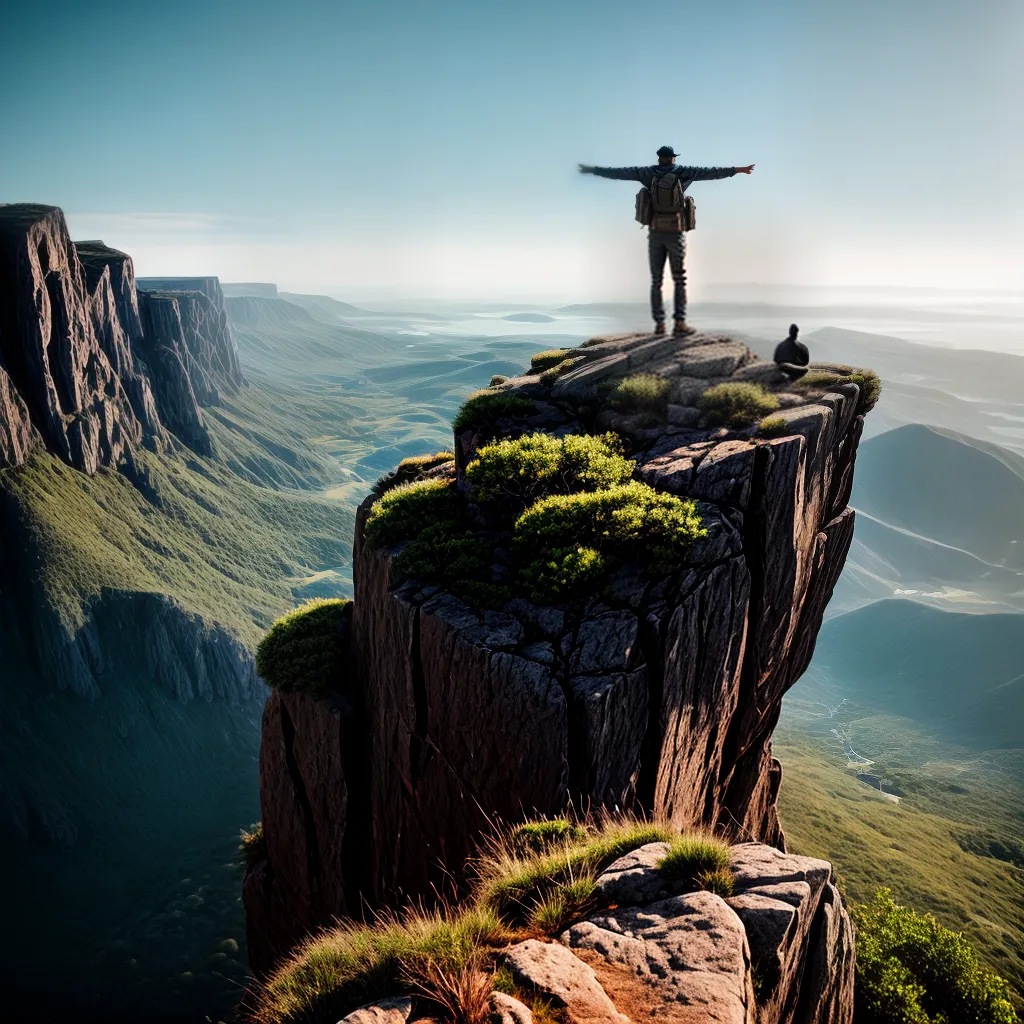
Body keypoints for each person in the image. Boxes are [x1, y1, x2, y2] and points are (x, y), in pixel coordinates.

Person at [579, 146, 754, 336]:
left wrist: (593, 170)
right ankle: (679, 324)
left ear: (658, 158)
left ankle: (660, 325)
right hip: (676, 231)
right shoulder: (683, 172)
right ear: (672, 159)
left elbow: (618, 173)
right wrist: (738, 170)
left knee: (657, 281)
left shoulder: (646, 173)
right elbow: (711, 173)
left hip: (655, 231)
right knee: (679, 279)